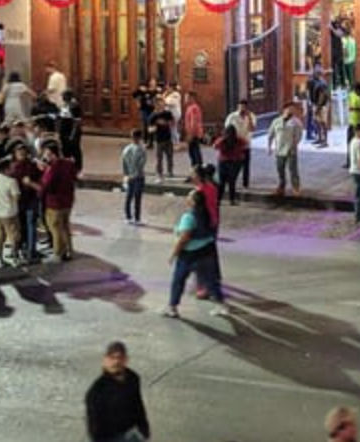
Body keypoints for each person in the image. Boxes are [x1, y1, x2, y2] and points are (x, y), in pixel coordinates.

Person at [164, 189, 226, 318]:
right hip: (206, 251)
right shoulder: (206, 214)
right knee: (210, 280)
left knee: (179, 280)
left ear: (193, 202)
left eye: (189, 196)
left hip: (189, 254)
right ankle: (221, 305)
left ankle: (172, 307)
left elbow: (184, 238)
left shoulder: (189, 217)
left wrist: (174, 253)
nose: (186, 198)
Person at [85, 341, 150, 442]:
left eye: (120, 358)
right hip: (109, 438)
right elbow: (94, 427)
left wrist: (144, 430)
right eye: (112, 358)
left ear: (126, 359)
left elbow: (138, 404)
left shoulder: (133, 378)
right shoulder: (96, 391)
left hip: (132, 433)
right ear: (105, 361)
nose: (116, 362)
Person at [40, 141, 79, 261]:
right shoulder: (69, 164)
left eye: (46, 154)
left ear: (52, 154)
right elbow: (74, 178)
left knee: (55, 228)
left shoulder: (53, 168)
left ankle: (58, 253)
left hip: (55, 203)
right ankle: (69, 251)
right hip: (68, 201)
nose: (44, 156)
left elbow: (46, 186)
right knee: (65, 227)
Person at [0, 159, 21, 265]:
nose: (13, 169)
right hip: (10, 213)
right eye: (11, 167)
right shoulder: (11, 181)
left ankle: (0, 258)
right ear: (6, 169)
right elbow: (16, 197)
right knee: (14, 237)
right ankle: (15, 258)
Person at [268, 103, 305, 197]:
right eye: (289, 109)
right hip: (279, 149)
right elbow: (271, 134)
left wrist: (294, 144)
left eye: (293, 109)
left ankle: (296, 187)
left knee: (293, 169)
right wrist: (269, 147)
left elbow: (299, 136)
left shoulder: (296, 122)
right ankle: (281, 186)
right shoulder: (276, 121)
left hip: (291, 149)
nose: (291, 111)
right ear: (284, 109)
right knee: (280, 168)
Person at [212, 124, 248, 206]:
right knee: (232, 182)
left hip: (223, 162)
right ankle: (232, 200)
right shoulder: (238, 140)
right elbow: (245, 144)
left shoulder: (222, 140)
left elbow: (214, 146)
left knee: (221, 182)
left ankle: (218, 200)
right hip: (235, 162)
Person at [121, 130, 148, 224]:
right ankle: (137, 218)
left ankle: (128, 217)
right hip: (138, 176)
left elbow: (123, 163)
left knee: (129, 196)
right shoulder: (142, 149)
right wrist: (136, 173)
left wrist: (126, 174)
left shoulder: (126, 149)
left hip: (129, 176)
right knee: (137, 198)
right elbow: (141, 164)